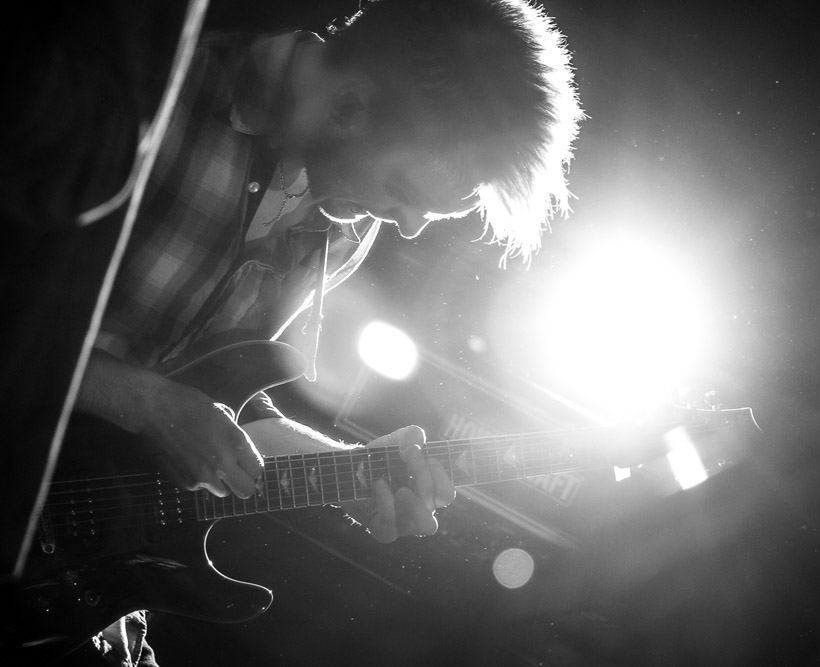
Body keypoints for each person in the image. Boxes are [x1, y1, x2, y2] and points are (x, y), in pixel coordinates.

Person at [62, 0, 582, 664]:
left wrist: (347, 473)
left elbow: (217, 396)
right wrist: (144, 402)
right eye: (403, 188)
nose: (411, 227)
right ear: (348, 106)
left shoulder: (347, 223)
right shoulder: (163, 75)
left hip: (69, 563)